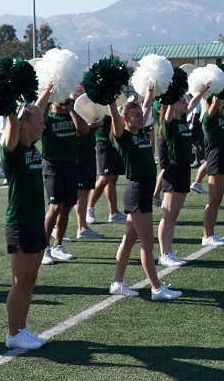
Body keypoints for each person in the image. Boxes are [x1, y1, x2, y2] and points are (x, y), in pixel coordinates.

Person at [107, 93, 181, 301]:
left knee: (129, 239)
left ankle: (117, 283)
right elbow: (115, 118)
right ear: (126, 119)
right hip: (137, 189)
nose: (141, 117)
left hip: (143, 190)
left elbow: (147, 106)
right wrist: (111, 101)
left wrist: (150, 89)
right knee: (147, 243)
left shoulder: (141, 133)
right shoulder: (125, 137)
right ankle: (156, 289)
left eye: (141, 115)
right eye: (136, 115)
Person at [1, 102, 51, 350]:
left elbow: (39, 107)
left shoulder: (33, 148)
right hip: (20, 221)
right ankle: (13, 333)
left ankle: (22, 328)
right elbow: (12, 124)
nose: (44, 125)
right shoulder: (13, 150)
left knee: (31, 280)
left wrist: (50, 86)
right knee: (20, 282)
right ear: (25, 125)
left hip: (35, 221)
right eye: (40, 122)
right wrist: (10, 107)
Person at [37, 82, 89, 265]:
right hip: (52, 165)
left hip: (70, 165)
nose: (62, 99)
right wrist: (48, 91)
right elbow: (39, 120)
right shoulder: (47, 117)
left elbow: (84, 130)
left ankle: (58, 245)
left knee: (66, 206)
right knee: (55, 207)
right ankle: (44, 248)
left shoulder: (70, 115)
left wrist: (72, 109)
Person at [157, 91, 200, 267]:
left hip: (184, 169)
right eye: (182, 101)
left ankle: (169, 251)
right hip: (173, 169)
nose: (186, 103)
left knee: (174, 215)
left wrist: (203, 89)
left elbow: (193, 102)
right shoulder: (170, 123)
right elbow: (169, 111)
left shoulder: (183, 120)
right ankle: (163, 253)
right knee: (167, 215)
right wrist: (171, 97)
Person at [200, 86, 224, 247]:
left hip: (223, 157)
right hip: (215, 158)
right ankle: (207, 235)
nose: (223, 101)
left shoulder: (220, 116)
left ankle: (211, 233)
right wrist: (218, 87)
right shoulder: (209, 117)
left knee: (218, 199)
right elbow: (216, 103)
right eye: (221, 99)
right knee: (213, 200)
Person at [73, 101, 105, 240]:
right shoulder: (70, 108)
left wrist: (97, 122)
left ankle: (83, 227)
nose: (80, 87)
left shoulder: (85, 103)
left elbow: (97, 122)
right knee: (77, 193)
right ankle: (56, 226)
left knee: (84, 192)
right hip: (77, 152)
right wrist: (95, 125)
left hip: (89, 151)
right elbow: (77, 131)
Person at [86, 111, 125, 224]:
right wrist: (109, 109)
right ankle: (89, 209)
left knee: (112, 178)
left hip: (115, 139)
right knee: (104, 178)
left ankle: (114, 213)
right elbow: (97, 119)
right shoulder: (100, 102)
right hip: (103, 140)